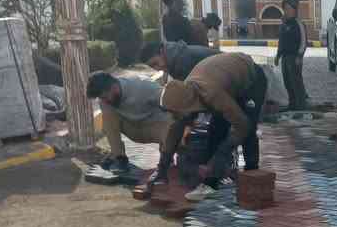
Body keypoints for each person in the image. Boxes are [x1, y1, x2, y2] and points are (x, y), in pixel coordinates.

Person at [157, 51, 268, 201]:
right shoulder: (185, 92)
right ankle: (211, 182)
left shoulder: (211, 94)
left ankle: (252, 178)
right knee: (216, 129)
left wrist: (222, 153)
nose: (174, 115)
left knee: (247, 128)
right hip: (225, 82)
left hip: (252, 80)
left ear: (184, 106)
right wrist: (162, 167)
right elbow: (175, 128)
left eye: (175, 112)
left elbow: (242, 125)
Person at [86, 70, 170, 173]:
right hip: (133, 129)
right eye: (101, 98)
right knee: (108, 118)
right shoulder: (105, 100)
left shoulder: (144, 86)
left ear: (114, 87)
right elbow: (109, 124)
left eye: (104, 97)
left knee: (172, 124)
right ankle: (119, 158)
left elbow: (171, 105)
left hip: (154, 126)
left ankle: (168, 153)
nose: (103, 101)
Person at [275, 0, 308, 110]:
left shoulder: (299, 24)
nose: (287, 11)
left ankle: (301, 106)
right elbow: (281, 41)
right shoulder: (284, 24)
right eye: (286, 9)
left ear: (295, 10)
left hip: (294, 57)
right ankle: (292, 104)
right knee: (287, 82)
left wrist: (300, 56)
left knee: (296, 82)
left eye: (290, 9)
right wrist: (278, 55)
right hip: (285, 57)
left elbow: (303, 42)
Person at [141, 39, 213, 81]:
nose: (157, 68)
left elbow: (189, 94)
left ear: (161, 51)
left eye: (155, 63)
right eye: (152, 67)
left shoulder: (181, 61)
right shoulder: (176, 55)